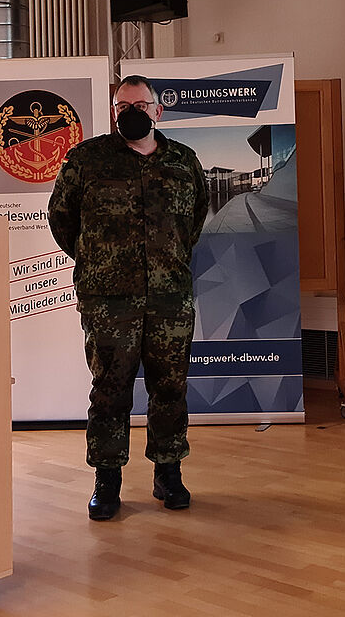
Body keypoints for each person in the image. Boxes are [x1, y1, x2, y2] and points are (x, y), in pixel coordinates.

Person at [48, 74, 209, 521]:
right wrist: (100, 262)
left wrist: (165, 262)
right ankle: (107, 481)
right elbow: (62, 222)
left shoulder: (183, 160)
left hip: (169, 296)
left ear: (158, 111)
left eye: (140, 105)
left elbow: (193, 222)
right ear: (114, 112)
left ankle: (168, 474)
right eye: (123, 106)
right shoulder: (87, 160)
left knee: (170, 387)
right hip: (108, 300)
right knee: (110, 390)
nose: (131, 112)